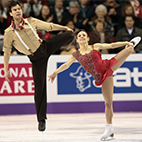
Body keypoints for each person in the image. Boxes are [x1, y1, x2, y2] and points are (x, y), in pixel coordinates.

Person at [48, 29, 134, 140]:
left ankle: (132, 43)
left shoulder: (95, 46)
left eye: (84, 35)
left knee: (129, 49)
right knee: (108, 103)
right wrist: (55, 72)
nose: (82, 36)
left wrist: (126, 43)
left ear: (88, 39)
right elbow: (66, 65)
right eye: (80, 35)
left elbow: (111, 45)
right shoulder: (76, 55)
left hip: (109, 66)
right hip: (103, 78)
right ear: (77, 40)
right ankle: (110, 129)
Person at [3, 0, 74, 132]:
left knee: (70, 34)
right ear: (10, 13)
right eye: (15, 10)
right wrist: (6, 69)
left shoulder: (31, 21)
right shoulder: (9, 32)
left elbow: (49, 26)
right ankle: (41, 119)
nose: (18, 11)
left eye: (19, 8)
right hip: (36, 59)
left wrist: (64, 28)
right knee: (40, 88)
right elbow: (6, 51)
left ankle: (73, 47)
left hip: (45, 47)